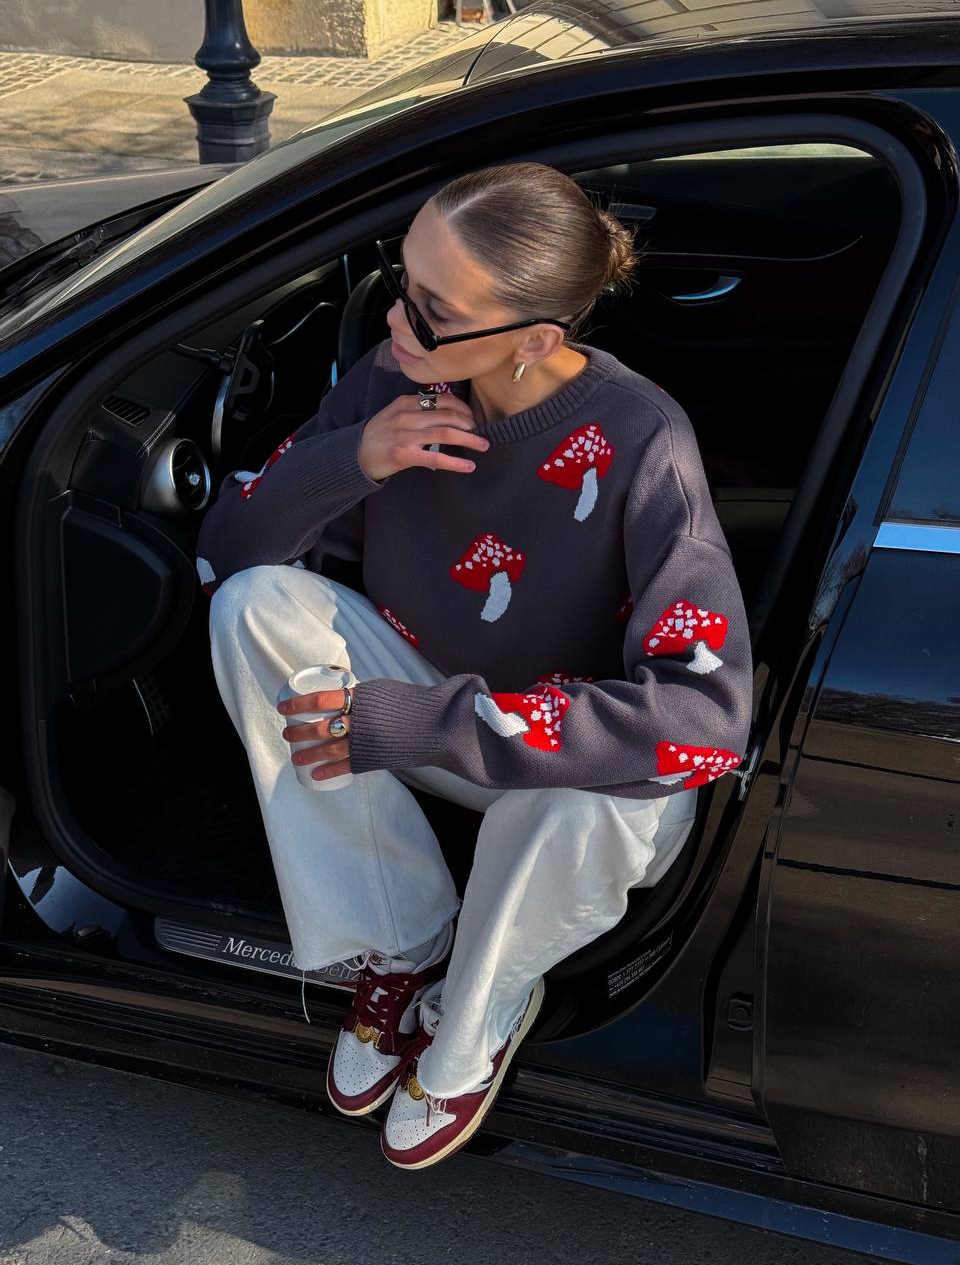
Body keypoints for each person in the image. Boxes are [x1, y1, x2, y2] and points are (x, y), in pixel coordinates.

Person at [195, 161, 754, 1171]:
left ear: (535, 338)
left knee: (588, 799)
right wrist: (356, 457)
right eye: (399, 282)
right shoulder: (396, 376)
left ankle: (479, 1006)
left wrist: (415, 722)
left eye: (434, 310)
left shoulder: (643, 438)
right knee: (253, 606)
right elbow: (227, 549)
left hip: (565, 771)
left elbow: (702, 720)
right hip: (436, 700)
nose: (397, 320)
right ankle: (401, 942)